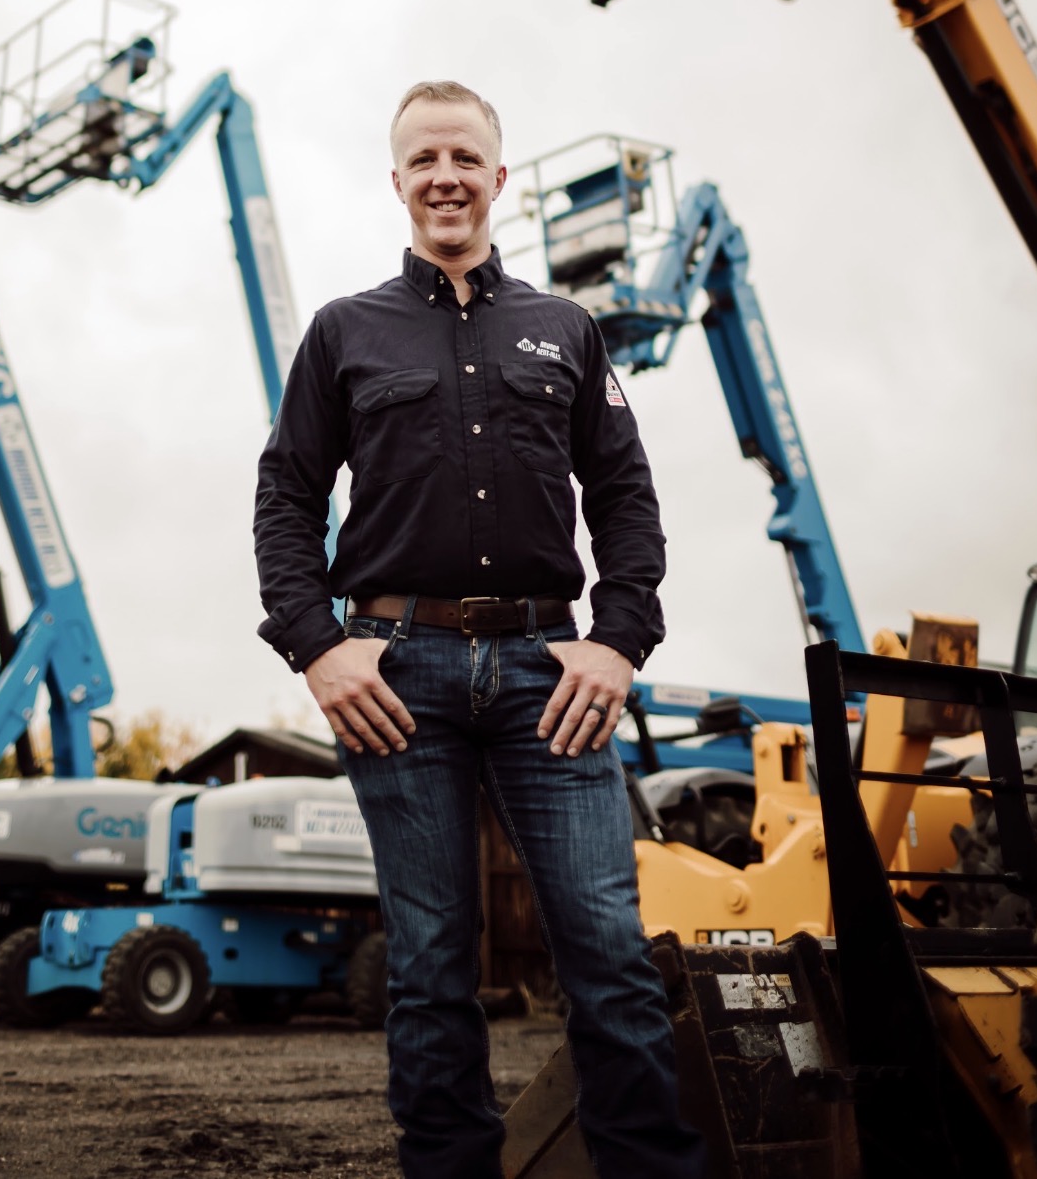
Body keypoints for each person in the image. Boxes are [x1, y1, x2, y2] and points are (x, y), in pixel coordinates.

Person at [253, 80, 705, 1179]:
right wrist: (318, 644)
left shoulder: (567, 329)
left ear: (498, 180)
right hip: (395, 674)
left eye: (465, 158)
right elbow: (285, 495)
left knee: (607, 954)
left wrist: (619, 637)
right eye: (423, 160)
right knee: (432, 960)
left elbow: (628, 497)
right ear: (398, 182)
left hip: (553, 674)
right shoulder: (344, 332)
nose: (445, 177)